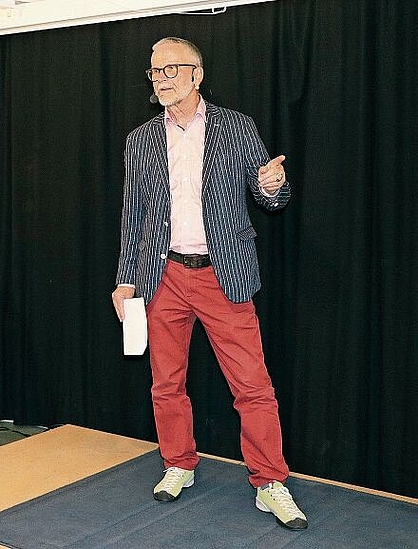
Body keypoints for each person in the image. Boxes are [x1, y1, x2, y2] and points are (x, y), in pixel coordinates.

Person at [111, 37, 307, 530]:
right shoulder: (140, 140)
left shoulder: (236, 127)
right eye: (155, 71)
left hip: (224, 275)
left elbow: (271, 195)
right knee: (166, 382)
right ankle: (178, 463)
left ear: (197, 75)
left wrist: (271, 186)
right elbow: (133, 216)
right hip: (164, 275)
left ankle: (270, 482)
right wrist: (124, 280)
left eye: (171, 69)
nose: (161, 78)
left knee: (253, 386)